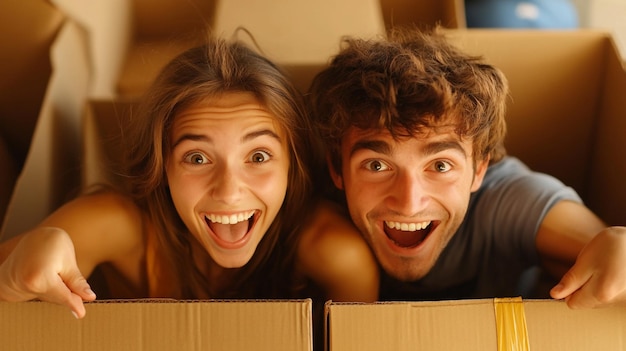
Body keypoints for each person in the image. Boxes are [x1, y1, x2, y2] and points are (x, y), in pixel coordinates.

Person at [0, 35, 379, 319]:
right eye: (196, 158)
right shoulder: (119, 224)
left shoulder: (335, 252)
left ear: (293, 165)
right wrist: (10, 280)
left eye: (259, 156)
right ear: (162, 167)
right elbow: (31, 268)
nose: (229, 192)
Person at [307, 26, 626, 308]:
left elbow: (604, 255)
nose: (409, 203)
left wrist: (617, 248)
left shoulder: (510, 202)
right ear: (337, 170)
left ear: (479, 170)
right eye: (377, 165)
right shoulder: (316, 212)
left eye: (441, 166)